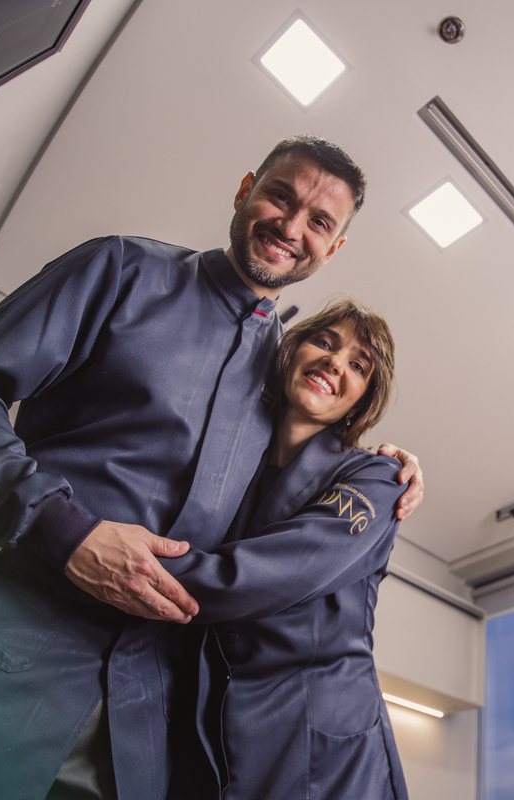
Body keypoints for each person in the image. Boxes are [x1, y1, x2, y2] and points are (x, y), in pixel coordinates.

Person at [0, 136, 422, 800]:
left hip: (139, 732)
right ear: (245, 190)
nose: (291, 227)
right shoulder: (122, 270)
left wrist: (385, 467)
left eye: (318, 221)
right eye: (280, 197)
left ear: (333, 248)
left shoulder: (279, 378)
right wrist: (54, 528)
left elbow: (301, 480)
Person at [162, 299, 411, 799]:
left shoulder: (379, 478)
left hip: (323, 747)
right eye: (324, 342)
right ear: (291, 351)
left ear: (362, 401)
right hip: (213, 725)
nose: (334, 362)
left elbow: (262, 576)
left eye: (358, 365)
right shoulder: (229, 463)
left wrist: (124, 559)